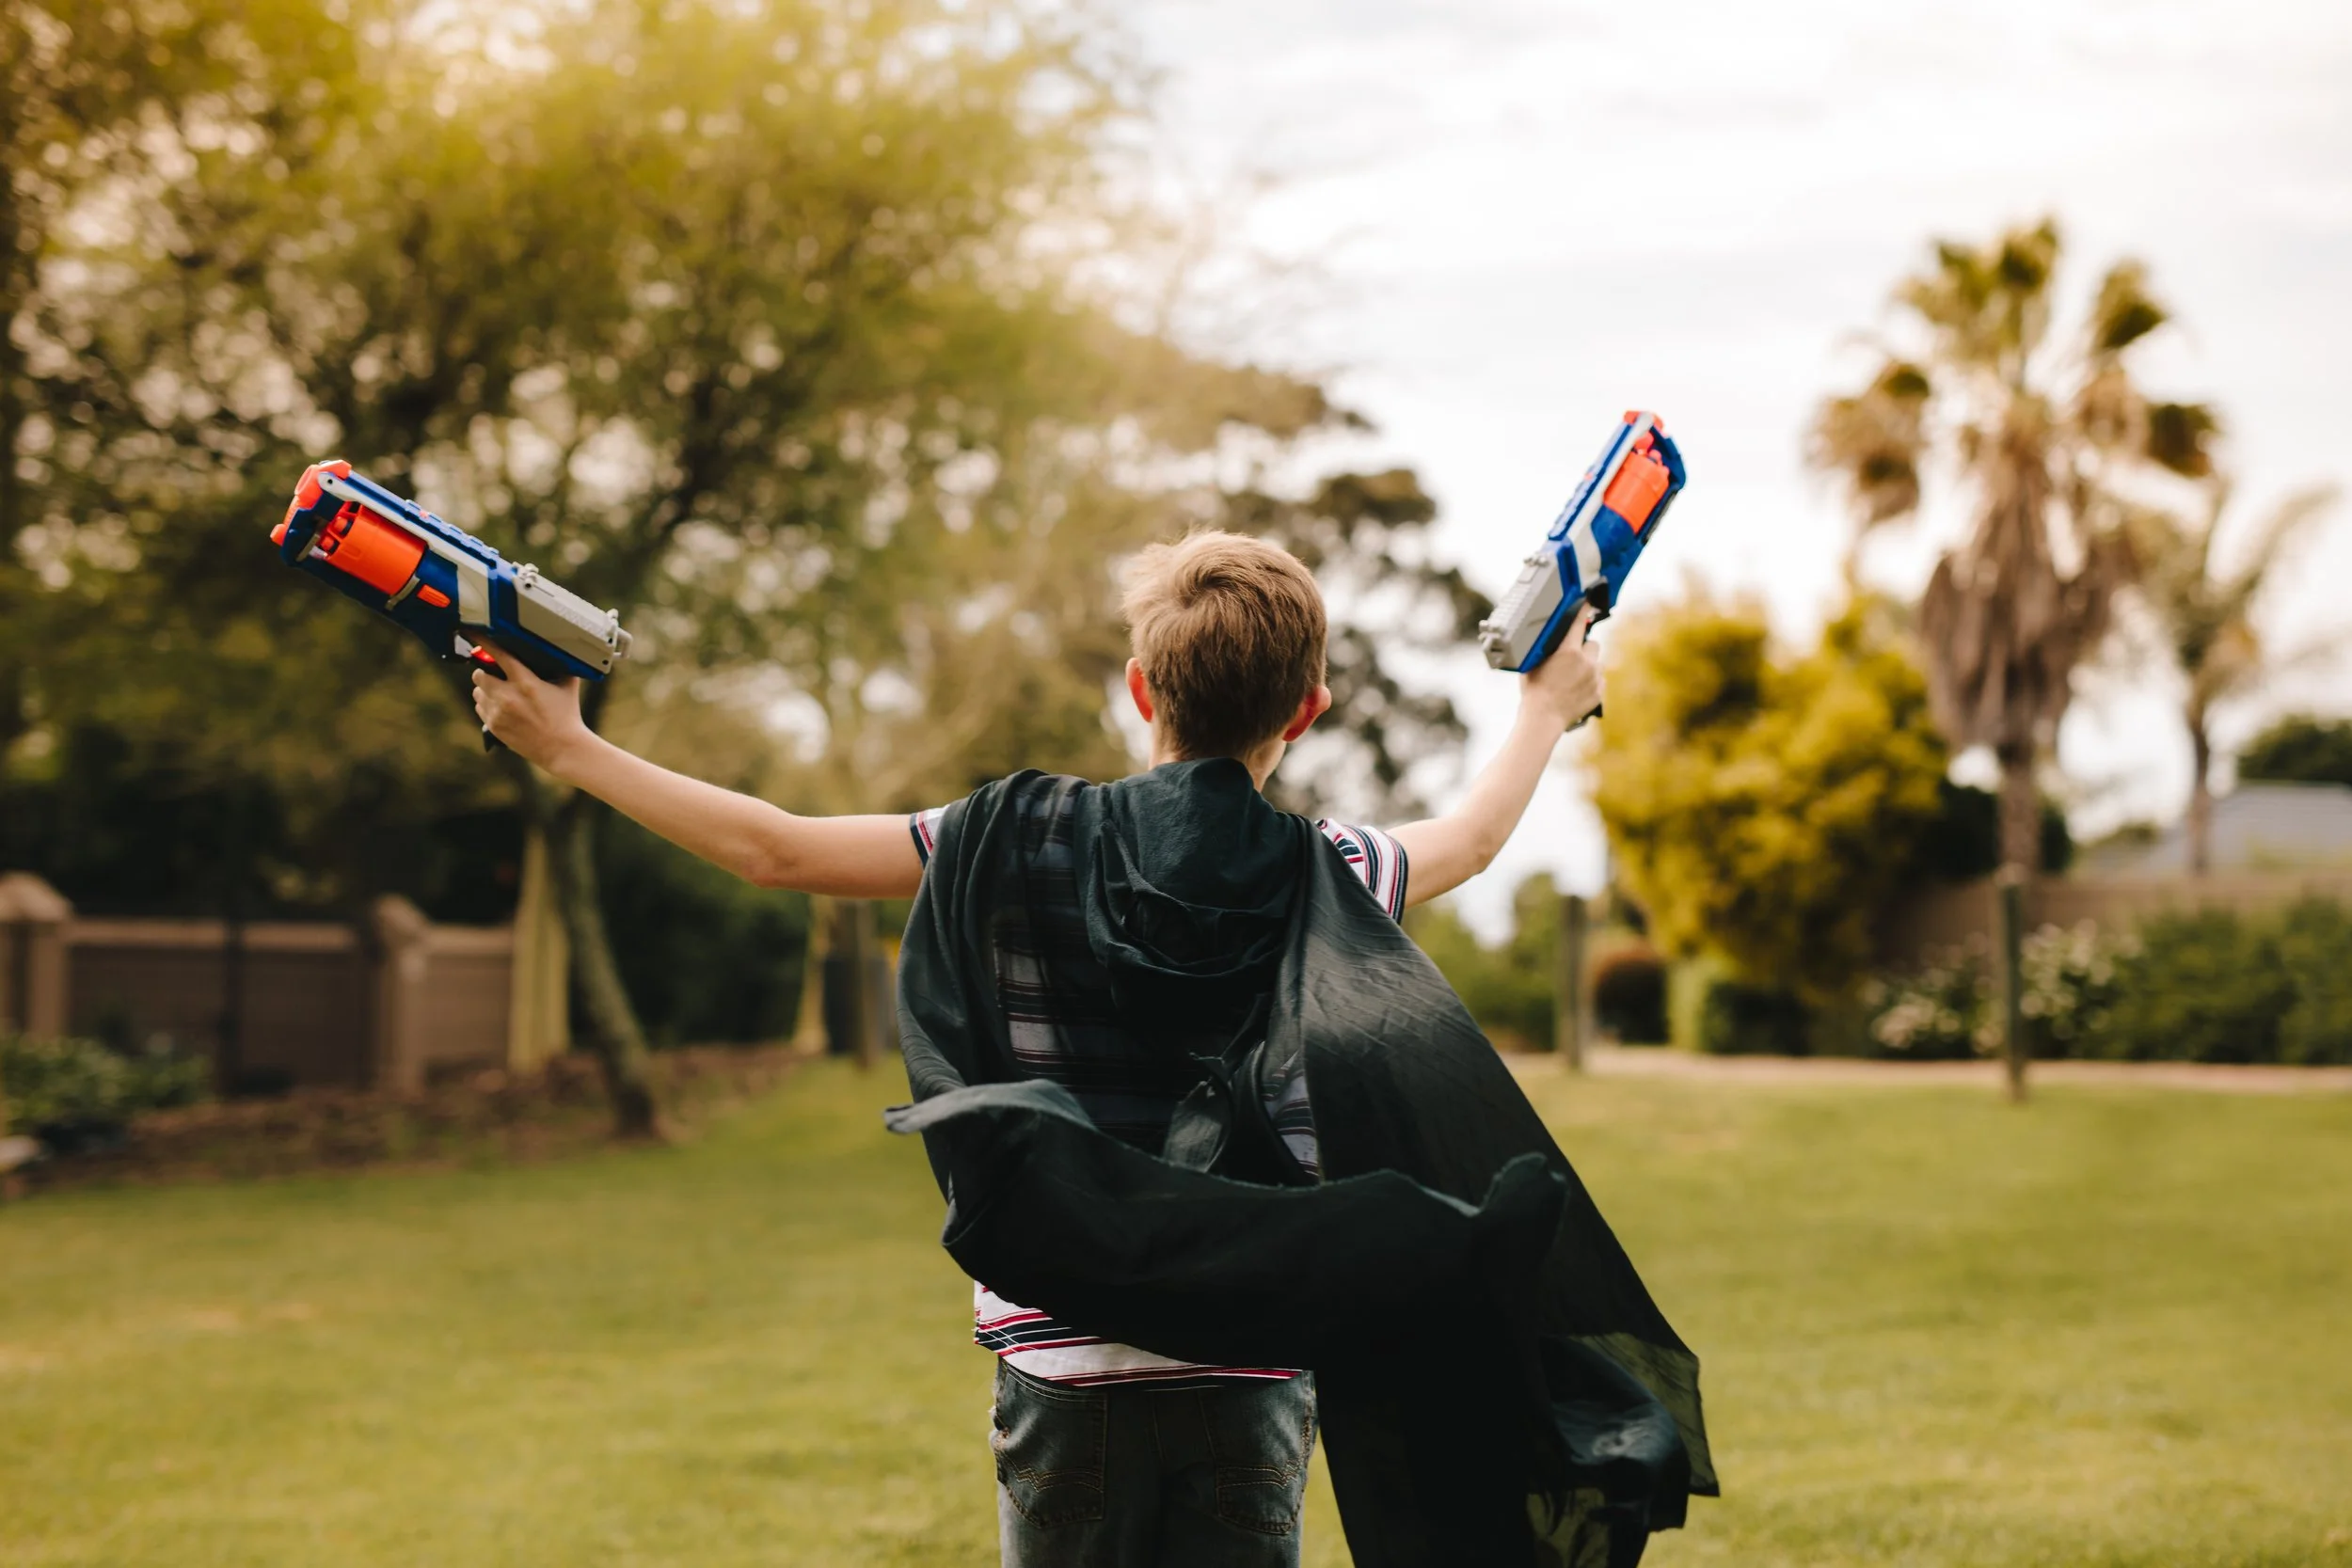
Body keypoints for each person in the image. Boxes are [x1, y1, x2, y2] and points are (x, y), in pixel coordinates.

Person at [472, 529, 1605, 1568]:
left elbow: (774, 849)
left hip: (1063, 1372)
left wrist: (570, 746)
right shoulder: (1335, 871)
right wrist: (1544, 709)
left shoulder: (1004, 840)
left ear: (1139, 689)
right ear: (1304, 709)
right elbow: (1472, 835)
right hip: (1253, 1367)